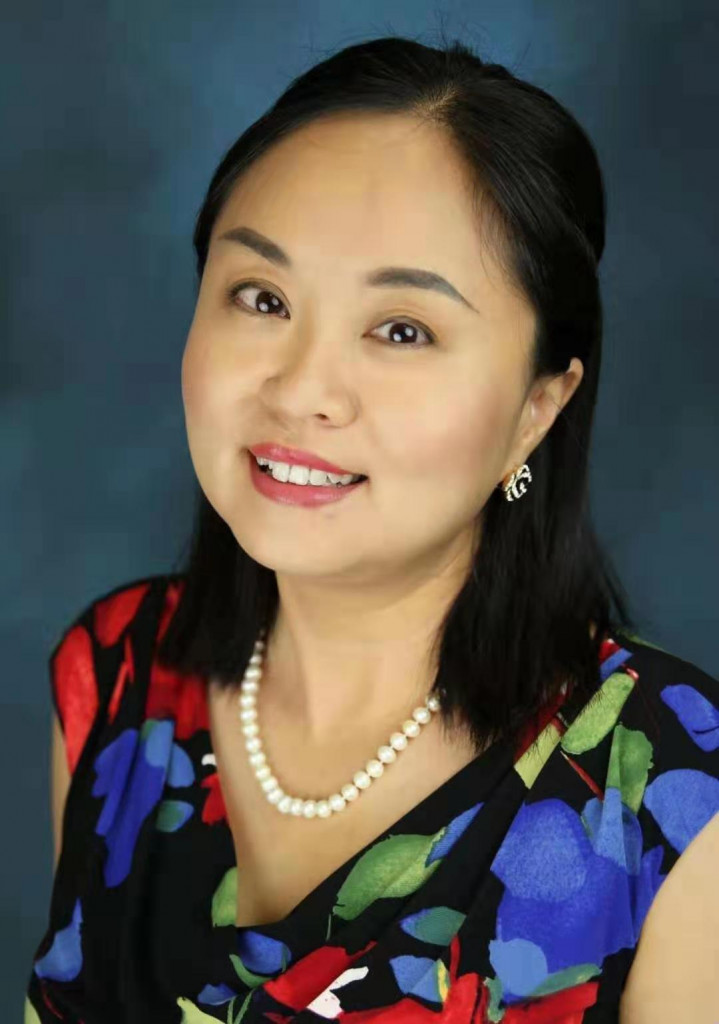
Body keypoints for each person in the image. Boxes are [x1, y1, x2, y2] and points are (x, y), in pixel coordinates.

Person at [25, 34, 719, 1024]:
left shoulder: (673, 797)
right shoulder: (115, 675)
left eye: (402, 330)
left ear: (537, 407)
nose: (301, 389)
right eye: (262, 298)